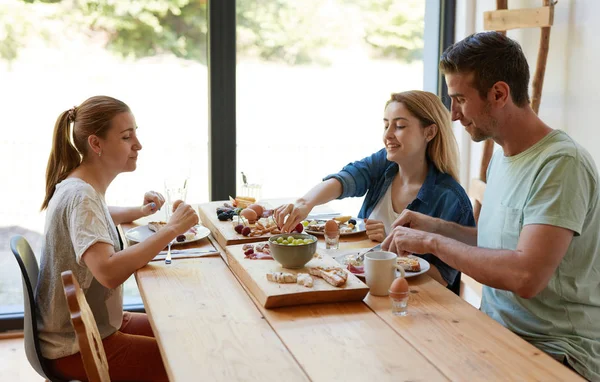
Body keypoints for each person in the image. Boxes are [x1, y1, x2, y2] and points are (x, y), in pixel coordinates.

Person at [382, 31, 600, 381]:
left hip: (557, 353)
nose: (453, 115)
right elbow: (497, 245)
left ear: (499, 94)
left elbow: (525, 275)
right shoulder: (502, 159)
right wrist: (434, 226)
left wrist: (433, 244)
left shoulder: (562, 163)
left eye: (459, 100)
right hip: (496, 332)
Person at [37, 95, 199, 381]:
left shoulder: (78, 185)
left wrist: (139, 210)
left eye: (135, 133)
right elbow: (108, 272)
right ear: (96, 144)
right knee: (190, 359)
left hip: (97, 325)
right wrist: (170, 229)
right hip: (76, 345)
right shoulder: (82, 196)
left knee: (189, 334)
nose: (138, 144)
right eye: (126, 137)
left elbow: (98, 216)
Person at [274, 90, 475, 293]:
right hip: (363, 286)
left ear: (429, 133)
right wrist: (305, 202)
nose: (387, 135)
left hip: (412, 301)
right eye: (386, 125)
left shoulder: (451, 199)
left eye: (400, 126)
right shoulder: (385, 163)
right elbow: (347, 179)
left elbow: (442, 279)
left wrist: (389, 247)